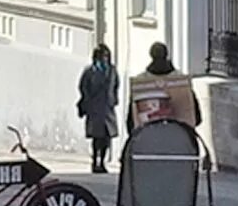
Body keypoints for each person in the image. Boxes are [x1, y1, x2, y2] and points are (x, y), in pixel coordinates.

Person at [126, 40, 202, 132]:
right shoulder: (181, 83)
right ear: (166, 55)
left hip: (149, 139)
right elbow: (196, 118)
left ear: (151, 55)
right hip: (179, 138)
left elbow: (131, 123)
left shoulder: (140, 85)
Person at [77, 44, 120, 174]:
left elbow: (116, 85)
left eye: (106, 56)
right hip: (95, 108)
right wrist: (88, 100)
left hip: (107, 108)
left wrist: (114, 99)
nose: (104, 58)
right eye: (102, 56)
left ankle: (103, 161)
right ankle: (95, 161)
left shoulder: (112, 71)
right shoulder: (90, 71)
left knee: (107, 137)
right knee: (97, 137)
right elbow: (83, 87)